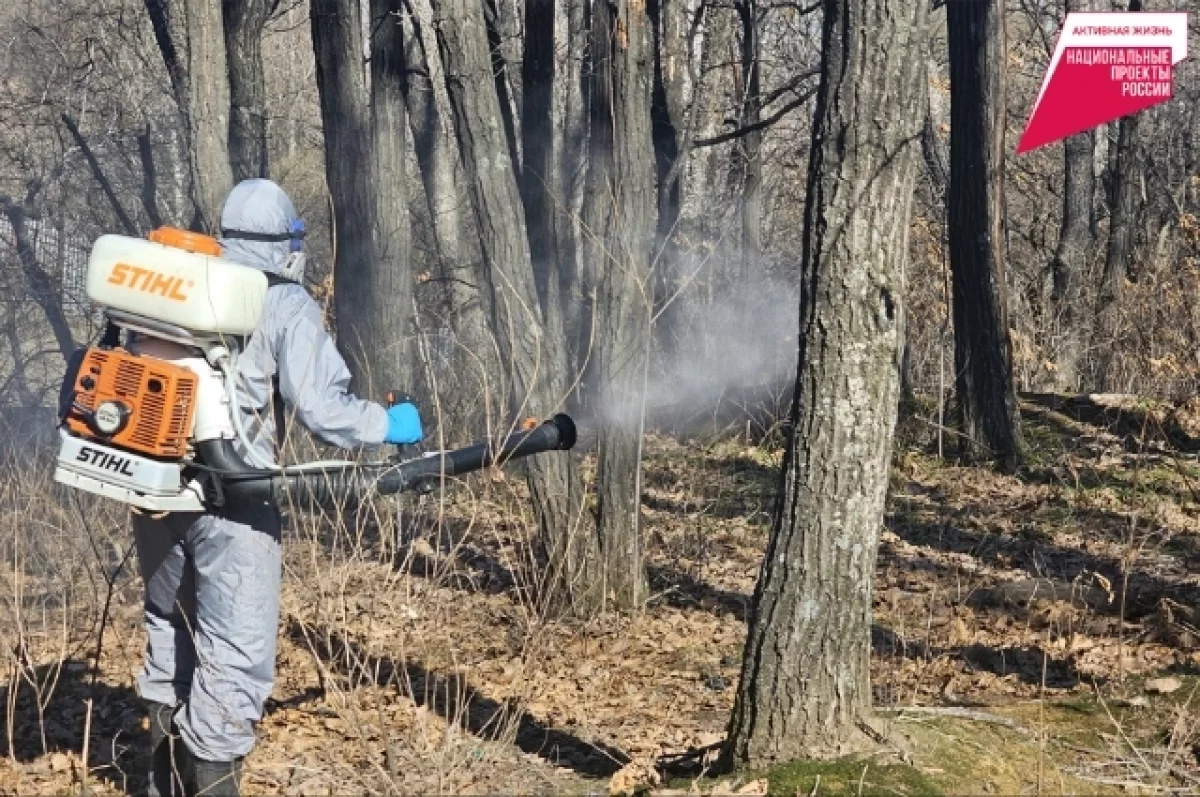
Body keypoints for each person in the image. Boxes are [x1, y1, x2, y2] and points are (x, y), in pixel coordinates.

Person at [132, 178, 423, 796]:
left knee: (171, 634)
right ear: (285, 242)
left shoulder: (174, 285)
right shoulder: (283, 300)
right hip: (235, 504)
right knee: (234, 661)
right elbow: (324, 410)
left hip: (154, 492)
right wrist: (388, 425)